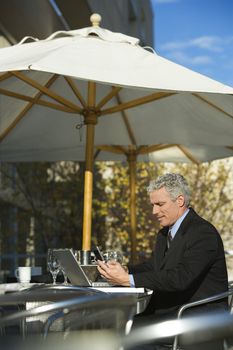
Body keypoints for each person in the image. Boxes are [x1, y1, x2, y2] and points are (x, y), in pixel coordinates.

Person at [97, 173, 228, 349]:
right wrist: (127, 270)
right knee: (117, 326)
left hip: (198, 319)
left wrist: (127, 280)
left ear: (180, 201)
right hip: (172, 312)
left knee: (125, 332)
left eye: (160, 204)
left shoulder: (203, 233)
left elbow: (180, 278)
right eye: (153, 205)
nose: (154, 212)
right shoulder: (165, 233)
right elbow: (156, 266)